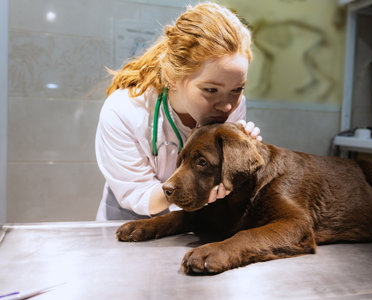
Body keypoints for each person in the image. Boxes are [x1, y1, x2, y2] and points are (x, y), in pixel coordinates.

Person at [95, 2, 262, 221]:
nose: (227, 106)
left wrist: (239, 154)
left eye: (237, 89)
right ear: (173, 78)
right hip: (130, 223)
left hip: (193, 224)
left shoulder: (234, 105)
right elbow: (138, 195)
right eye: (211, 90)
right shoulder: (124, 110)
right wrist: (187, 189)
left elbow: (223, 177)